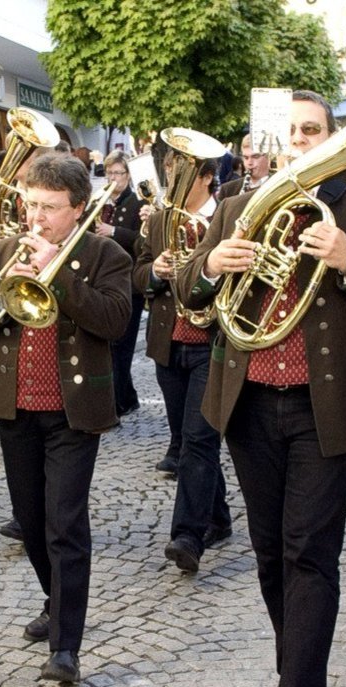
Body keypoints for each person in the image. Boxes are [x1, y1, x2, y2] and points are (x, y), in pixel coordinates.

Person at [180, 89, 346, 687]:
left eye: (313, 130)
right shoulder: (237, 206)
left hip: (328, 406)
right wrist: (211, 266)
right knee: (269, 550)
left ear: (333, 137)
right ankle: (300, 667)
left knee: (309, 549)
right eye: (291, 132)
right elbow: (185, 291)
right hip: (250, 401)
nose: (301, 141)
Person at [0, 152, 129, 684]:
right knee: (31, 522)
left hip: (73, 411)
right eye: (32, 205)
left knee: (64, 524)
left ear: (77, 208)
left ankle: (66, 646)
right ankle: (55, 601)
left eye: (50, 208)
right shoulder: (6, 248)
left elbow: (114, 321)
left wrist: (57, 272)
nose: (37, 218)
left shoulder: (105, 254)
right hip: (17, 404)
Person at [136, 144, 232, 573]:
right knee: (188, 435)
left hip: (212, 343)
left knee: (198, 439)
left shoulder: (229, 217)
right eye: (169, 172)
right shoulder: (159, 220)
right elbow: (135, 275)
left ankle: (187, 535)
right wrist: (155, 271)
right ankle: (219, 516)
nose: (172, 182)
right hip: (168, 341)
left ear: (208, 177)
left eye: (183, 174)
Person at [96, 152, 145, 419]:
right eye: (110, 173)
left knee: (122, 345)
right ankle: (128, 397)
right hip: (103, 279)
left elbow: (142, 240)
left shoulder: (137, 202)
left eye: (118, 174)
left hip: (129, 282)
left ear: (128, 176)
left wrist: (113, 232)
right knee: (110, 343)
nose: (113, 179)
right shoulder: (101, 200)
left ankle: (117, 403)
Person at [220, 134, 273, 200]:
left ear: (268, 157)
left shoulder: (278, 186)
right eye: (246, 158)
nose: (249, 163)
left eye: (255, 157)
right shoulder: (227, 190)